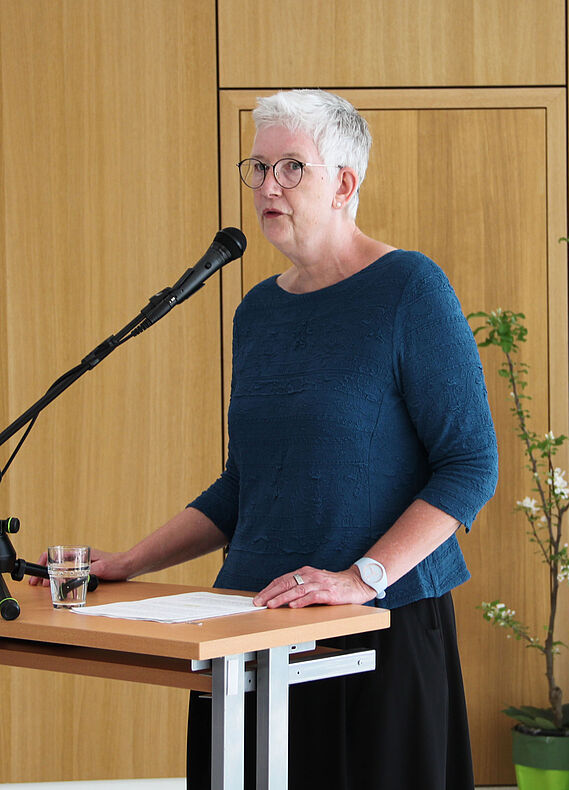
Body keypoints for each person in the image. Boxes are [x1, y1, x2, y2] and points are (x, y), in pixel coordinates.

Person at [34, 89, 498, 789]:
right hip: (247, 624)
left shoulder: (409, 289)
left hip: (375, 628)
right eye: (257, 167)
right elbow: (242, 487)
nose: (266, 187)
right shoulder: (257, 313)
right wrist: (126, 563)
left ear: (345, 183)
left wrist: (359, 579)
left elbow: (469, 465)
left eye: (290, 168)